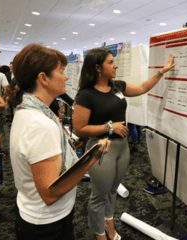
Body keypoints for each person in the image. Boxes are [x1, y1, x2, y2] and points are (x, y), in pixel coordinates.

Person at [8, 43, 110, 240]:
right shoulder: (40, 125)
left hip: (35, 214)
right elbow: (50, 194)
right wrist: (91, 158)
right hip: (46, 224)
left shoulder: (28, 109)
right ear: (43, 78)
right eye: (61, 71)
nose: (67, 77)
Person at [73, 47, 175, 240]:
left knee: (113, 189)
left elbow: (143, 87)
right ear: (97, 68)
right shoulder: (86, 95)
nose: (116, 65)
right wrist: (109, 127)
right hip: (102, 148)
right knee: (99, 195)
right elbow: (79, 129)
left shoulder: (117, 86)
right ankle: (99, 233)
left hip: (122, 147)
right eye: (110, 62)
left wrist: (162, 71)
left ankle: (108, 223)